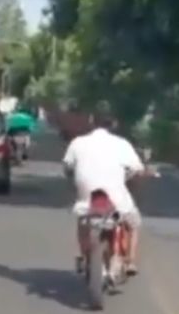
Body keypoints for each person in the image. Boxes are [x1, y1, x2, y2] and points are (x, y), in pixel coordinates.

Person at [63, 102, 149, 276]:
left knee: (83, 219)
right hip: (116, 197)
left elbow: (67, 167)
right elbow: (137, 169)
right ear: (113, 124)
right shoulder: (122, 144)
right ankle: (131, 261)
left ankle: (82, 254)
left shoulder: (78, 143)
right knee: (133, 222)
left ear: (91, 121)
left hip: (87, 195)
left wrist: (74, 178)